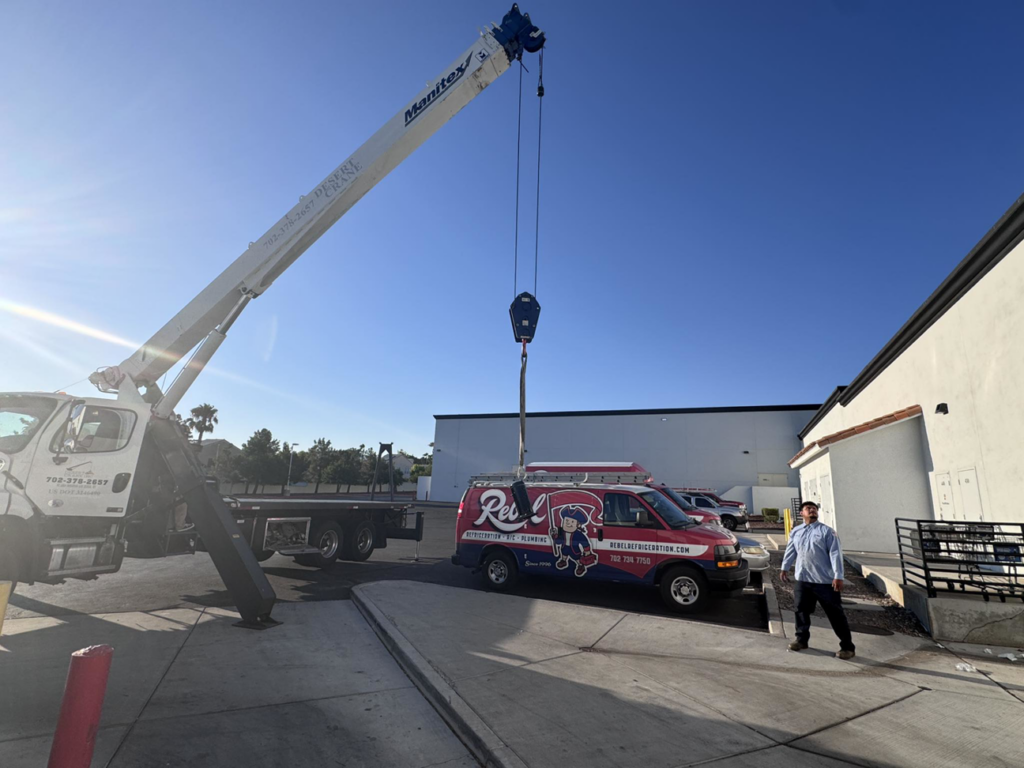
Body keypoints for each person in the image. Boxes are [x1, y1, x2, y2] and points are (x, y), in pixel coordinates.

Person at [779, 500, 855, 659]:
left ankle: (847, 647)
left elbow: (835, 554)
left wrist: (838, 576)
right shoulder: (796, 531)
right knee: (800, 610)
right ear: (802, 513)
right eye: (808, 508)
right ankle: (801, 640)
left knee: (835, 614)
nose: (812, 510)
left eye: (814, 508)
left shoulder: (827, 532)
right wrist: (785, 567)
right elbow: (791, 550)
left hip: (825, 582)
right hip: (803, 579)